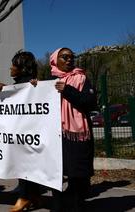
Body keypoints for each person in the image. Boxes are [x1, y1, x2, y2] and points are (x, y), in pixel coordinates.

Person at [50, 47, 97, 212]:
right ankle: (58, 206)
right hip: (55, 135)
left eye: (71, 57)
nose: (69, 60)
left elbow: (90, 102)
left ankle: (78, 205)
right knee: (55, 172)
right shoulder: (49, 81)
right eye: (64, 57)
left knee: (77, 174)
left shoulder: (82, 78)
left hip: (77, 135)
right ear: (55, 60)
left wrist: (67, 90)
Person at [0, 51, 40, 212]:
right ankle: (32, 196)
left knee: (24, 166)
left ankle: (24, 197)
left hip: (27, 133)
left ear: (22, 68)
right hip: (21, 132)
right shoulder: (17, 85)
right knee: (26, 165)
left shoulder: (31, 84)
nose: (10, 68)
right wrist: (3, 90)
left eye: (13, 65)